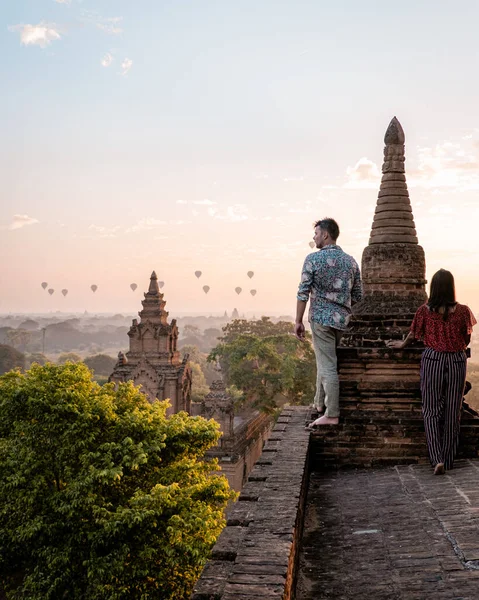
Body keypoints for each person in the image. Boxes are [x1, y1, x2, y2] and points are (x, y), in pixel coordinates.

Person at [387, 269, 476, 475]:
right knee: (453, 411)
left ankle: (436, 459)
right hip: (456, 360)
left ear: (433, 288)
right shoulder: (463, 311)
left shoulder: (424, 311)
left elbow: (413, 335)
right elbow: (467, 339)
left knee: (431, 410)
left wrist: (401, 345)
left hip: (433, 359)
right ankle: (449, 458)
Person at [295, 218, 362, 426]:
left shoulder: (313, 259)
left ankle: (332, 414)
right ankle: (319, 403)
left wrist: (298, 321)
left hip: (321, 319)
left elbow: (303, 292)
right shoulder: (350, 261)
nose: (314, 237)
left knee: (328, 366)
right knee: (324, 361)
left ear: (325, 235)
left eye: (316, 233)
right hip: (343, 320)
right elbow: (358, 295)